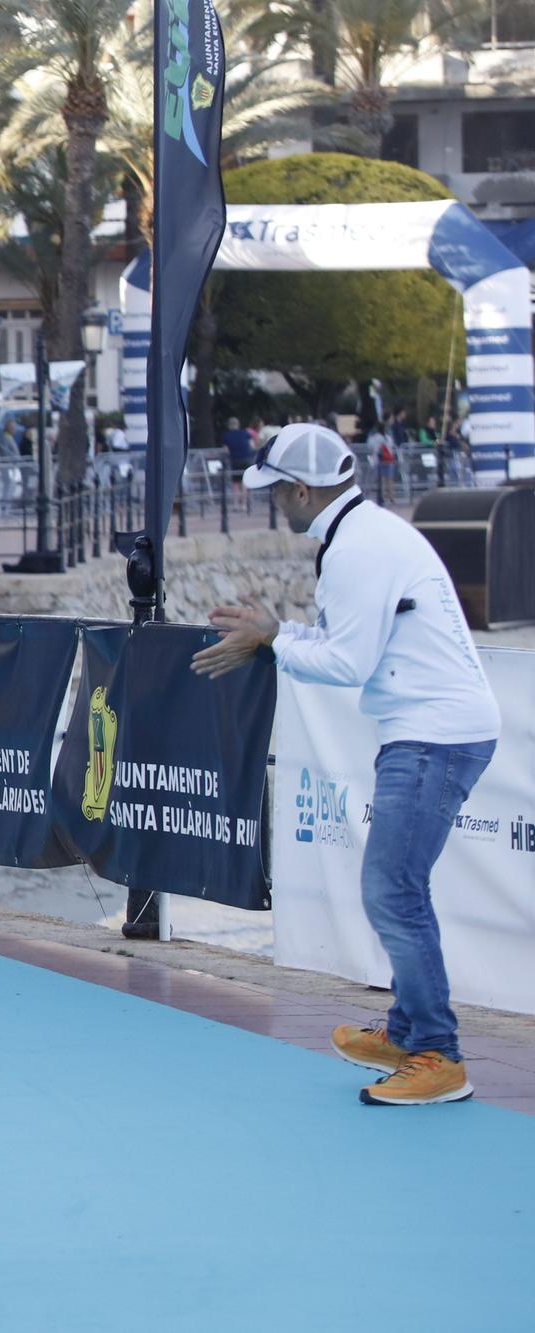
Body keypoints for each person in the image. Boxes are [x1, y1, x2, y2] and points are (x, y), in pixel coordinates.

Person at [191, 423, 499, 1107]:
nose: (273, 504)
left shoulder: (357, 548)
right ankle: (408, 1031)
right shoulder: (364, 533)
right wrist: (278, 636)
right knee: (395, 888)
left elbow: (348, 663)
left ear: (302, 490)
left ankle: (438, 1055)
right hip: (432, 729)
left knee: (393, 891)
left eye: (275, 493)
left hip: (434, 734)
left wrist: (274, 638)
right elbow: (349, 647)